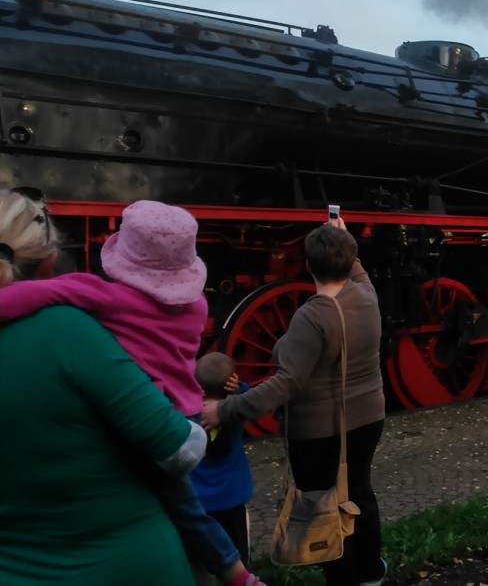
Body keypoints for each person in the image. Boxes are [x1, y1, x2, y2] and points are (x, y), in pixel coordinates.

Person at [0, 199, 263, 586]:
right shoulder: (196, 306)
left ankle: (234, 572)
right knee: (185, 504)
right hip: (184, 410)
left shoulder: (105, 298)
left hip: (153, 416)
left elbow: (29, 296)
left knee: (183, 505)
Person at [203, 218, 388, 586]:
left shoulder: (312, 316)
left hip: (321, 432)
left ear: (307, 266)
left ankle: (342, 579)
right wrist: (341, 236)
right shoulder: (366, 294)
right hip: (369, 418)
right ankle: (370, 572)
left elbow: (286, 383)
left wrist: (224, 409)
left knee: (324, 508)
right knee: (359, 492)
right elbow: (357, 269)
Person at [192, 353, 255, 568]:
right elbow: (250, 398)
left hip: (199, 501)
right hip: (233, 497)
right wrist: (238, 389)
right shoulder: (235, 410)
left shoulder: (190, 415)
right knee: (239, 556)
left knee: (200, 561)